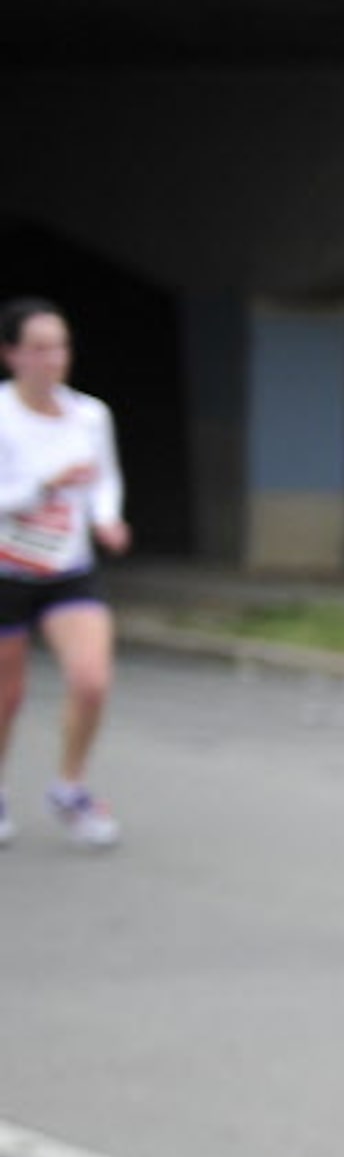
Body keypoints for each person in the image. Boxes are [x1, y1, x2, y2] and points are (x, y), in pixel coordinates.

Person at [0, 298, 129, 851]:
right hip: (7, 569)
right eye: (40, 348)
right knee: (8, 694)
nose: (54, 359)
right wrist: (45, 487)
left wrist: (107, 518)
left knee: (91, 679)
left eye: (62, 346)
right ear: (12, 355)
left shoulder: (91, 415)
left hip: (67, 568)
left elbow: (104, 480)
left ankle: (69, 787)